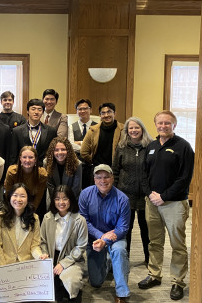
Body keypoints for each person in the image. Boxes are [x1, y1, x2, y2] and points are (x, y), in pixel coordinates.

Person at [137, 110, 194, 301]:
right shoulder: (151, 146)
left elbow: (184, 178)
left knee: (177, 244)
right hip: (152, 202)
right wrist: (150, 194)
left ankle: (177, 281)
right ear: (155, 125)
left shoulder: (183, 147)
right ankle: (154, 274)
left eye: (167, 123)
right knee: (155, 241)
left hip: (174, 203)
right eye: (160, 123)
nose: (163, 126)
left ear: (174, 125)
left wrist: (164, 196)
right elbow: (144, 174)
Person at [79, 164, 131, 303]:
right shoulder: (85, 194)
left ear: (112, 178)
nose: (103, 180)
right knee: (95, 282)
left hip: (115, 238)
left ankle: (122, 293)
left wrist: (106, 241)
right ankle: (108, 262)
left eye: (107, 177)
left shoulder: (123, 199)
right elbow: (84, 221)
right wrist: (101, 237)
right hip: (94, 240)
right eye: (99, 177)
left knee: (119, 251)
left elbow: (123, 228)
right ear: (94, 179)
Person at [112, 117, 153, 265]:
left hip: (145, 196)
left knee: (146, 229)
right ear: (127, 131)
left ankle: (150, 260)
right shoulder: (121, 147)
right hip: (125, 195)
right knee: (125, 230)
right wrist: (114, 193)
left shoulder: (151, 146)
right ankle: (124, 258)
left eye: (137, 127)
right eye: (131, 128)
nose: (134, 130)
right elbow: (115, 171)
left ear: (142, 129)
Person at [40, 185, 87, 302]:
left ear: (70, 200)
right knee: (50, 287)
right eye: (57, 199)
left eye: (65, 198)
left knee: (70, 280)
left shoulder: (79, 220)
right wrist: (45, 256)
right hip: (51, 256)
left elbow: (80, 247)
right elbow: (43, 241)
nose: (61, 202)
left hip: (72, 258)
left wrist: (63, 263)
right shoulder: (47, 218)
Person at [0, 183, 45, 265]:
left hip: (26, 265)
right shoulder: (1, 217)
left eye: (22, 196)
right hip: (6, 264)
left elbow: (35, 246)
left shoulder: (34, 218)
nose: (18, 199)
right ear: (10, 197)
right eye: (15, 195)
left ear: (28, 199)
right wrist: (2, 268)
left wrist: (40, 256)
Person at [81, 102, 124, 189]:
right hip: (97, 170)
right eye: (103, 113)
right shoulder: (93, 130)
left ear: (114, 113)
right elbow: (84, 152)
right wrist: (94, 162)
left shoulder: (123, 130)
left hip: (115, 171)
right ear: (100, 115)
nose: (106, 115)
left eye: (109, 112)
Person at [4, 146, 48, 220]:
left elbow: (38, 197)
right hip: (13, 204)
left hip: (32, 206)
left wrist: (29, 212)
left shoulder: (42, 174)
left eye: (31, 157)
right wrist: (15, 210)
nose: (27, 160)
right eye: (24, 157)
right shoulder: (12, 172)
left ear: (35, 159)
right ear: (20, 158)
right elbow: (8, 194)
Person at [10, 98, 57, 166]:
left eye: (39, 109)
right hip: (23, 170)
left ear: (43, 112)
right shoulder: (17, 131)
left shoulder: (51, 131)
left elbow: (52, 154)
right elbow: (13, 155)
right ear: (28, 111)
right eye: (33, 109)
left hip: (43, 169)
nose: (36, 112)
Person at [45, 137, 82, 202]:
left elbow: (76, 188)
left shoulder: (77, 164)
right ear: (52, 151)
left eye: (63, 149)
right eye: (56, 150)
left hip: (72, 199)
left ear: (68, 150)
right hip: (54, 198)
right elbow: (50, 186)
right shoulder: (46, 163)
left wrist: (65, 202)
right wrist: (58, 201)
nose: (60, 152)